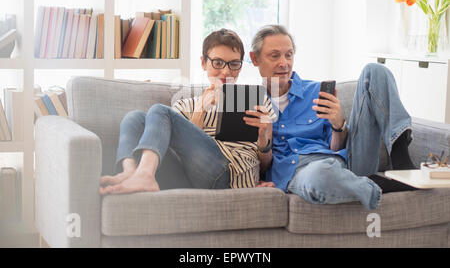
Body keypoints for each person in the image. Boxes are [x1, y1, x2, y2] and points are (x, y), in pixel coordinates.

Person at [249, 25, 417, 210]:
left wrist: (338, 125)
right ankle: (375, 185)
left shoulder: (316, 91)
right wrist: (264, 138)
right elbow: (262, 168)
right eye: (275, 56)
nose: (284, 63)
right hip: (301, 172)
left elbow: (335, 147)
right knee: (320, 174)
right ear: (255, 59)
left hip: (347, 162)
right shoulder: (250, 102)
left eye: (289, 55)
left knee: (375, 70)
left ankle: (402, 160)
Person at [99, 28, 276, 195]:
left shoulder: (257, 102)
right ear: (203, 63)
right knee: (134, 117)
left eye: (234, 64)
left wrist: (263, 139)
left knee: (160, 111)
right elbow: (178, 156)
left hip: (227, 176)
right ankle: (130, 172)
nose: (226, 71)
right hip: (185, 176)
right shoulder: (184, 106)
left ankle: (144, 175)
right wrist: (200, 110)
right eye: (218, 62)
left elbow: (264, 166)